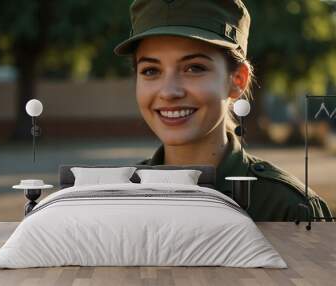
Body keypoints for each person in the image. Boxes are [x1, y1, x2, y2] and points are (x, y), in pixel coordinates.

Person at [113, 0, 333, 221]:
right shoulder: (115, 201)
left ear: (238, 79)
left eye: (194, 68)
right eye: (151, 70)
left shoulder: (290, 209)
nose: (169, 92)